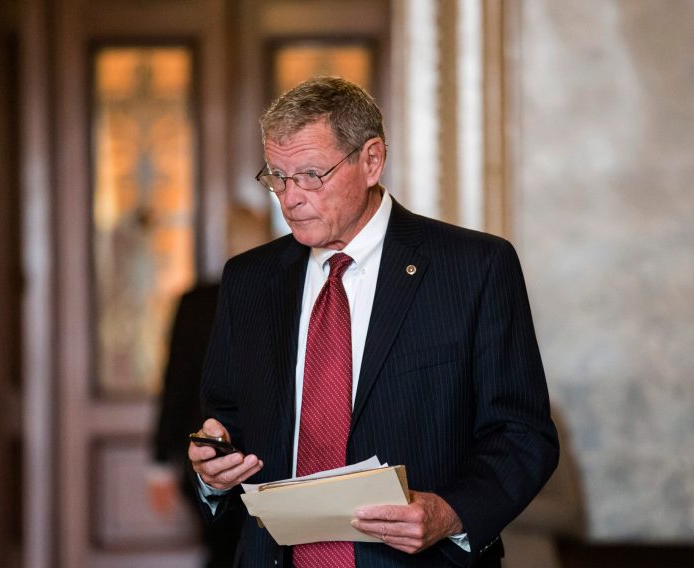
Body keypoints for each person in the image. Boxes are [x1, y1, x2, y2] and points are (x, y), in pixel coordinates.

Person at [189, 76, 559, 567]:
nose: (289, 197)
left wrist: (451, 512)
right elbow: (226, 420)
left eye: (310, 175)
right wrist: (213, 470)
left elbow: (522, 434)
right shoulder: (249, 280)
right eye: (277, 176)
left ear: (371, 161)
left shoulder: (474, 268)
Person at [149, 283, 245, 567]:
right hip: (209, 456)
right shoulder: (198, 303)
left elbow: (175, 382)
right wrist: (160, 461)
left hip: (232, 457)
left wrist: (160, 462)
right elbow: (177, 382)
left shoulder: (197, 302)